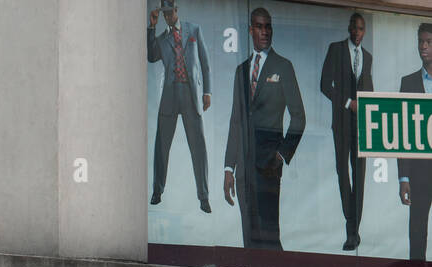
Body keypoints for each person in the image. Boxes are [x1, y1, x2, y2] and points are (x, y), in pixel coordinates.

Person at [222, 7, 305, 250]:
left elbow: (299, 116)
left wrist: (281, 154)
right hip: (244, 167)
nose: (265, 31)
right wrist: (229, 167)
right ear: (250, 30)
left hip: (269, 165)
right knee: (249, 236)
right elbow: (235, 121)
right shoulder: (242, 71)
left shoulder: (283, 66)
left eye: (268, 26)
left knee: (268, 234)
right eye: (259, 26)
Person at [148, 1, 212, 212]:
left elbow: (204, 62)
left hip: (191, 93)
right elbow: (151, 56)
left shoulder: (193, 30)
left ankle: (204, 196)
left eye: (170, 13)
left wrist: (207, 91)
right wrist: (151, 27)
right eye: (164, 14)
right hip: (170, 94)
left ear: (176, 10)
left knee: (199, 146)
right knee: (161, 145)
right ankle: (157, 191)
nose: (167, 17)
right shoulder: (162, 38)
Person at [320, 13, 373, 251]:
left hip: (362, 126)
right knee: (343, 173)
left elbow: (369, 88)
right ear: (349, 27)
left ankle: (353, 231)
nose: (358, 33)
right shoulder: (336, 49)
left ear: (365, 31)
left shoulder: (368, 58)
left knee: (359, 177)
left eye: (362, 29)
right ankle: (350, 225)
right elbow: (325, 85)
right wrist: (347, 103)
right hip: (341, 123)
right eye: (355, 28)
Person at [399, 24, 432, 261]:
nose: (423, 46)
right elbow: (403, 134)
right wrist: (404, 178)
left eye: (428, 42)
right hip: (419, 173)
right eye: (420, 41)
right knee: (417, 231)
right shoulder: (408, 82)